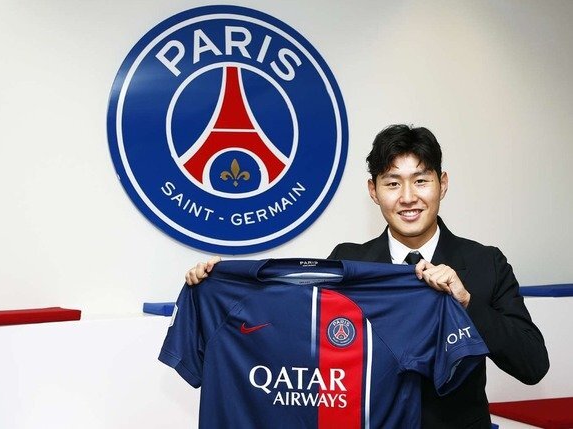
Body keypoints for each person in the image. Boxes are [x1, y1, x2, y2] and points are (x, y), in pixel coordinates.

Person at [184, 124, 549, 428]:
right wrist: (221, 281)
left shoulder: (485, 263)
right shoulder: (347, 262)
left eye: (421, 181)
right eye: (392, 183)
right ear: (373, 191)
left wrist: (466, 304)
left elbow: (532, 364)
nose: (408, 197)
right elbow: (287, 327)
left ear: (443, 183)